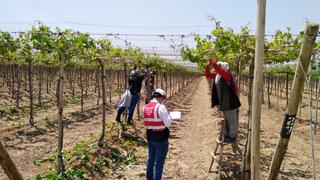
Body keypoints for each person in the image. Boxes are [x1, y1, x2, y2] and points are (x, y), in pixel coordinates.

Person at [208, 58, 241, 142]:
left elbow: (217, 68)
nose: (218, 67)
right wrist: (207, 66)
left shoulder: (227, 74)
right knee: (227, 119)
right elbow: (208, 74)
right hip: (225, 102)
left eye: (220, 66)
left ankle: (232, 137)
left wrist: (213, 61)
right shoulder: (218, 76)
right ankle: (227, 135)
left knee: (232, 120)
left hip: (231, 102)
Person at [143, 89, 172, 180]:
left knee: (150, 160)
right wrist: (170, 117)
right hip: (161, 138)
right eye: (163, 98)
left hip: (150, 137)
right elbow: (168, 123)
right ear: (160, 97)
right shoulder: (160, 107)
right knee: (159, 163)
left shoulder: (145, 107)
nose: (163, 100)